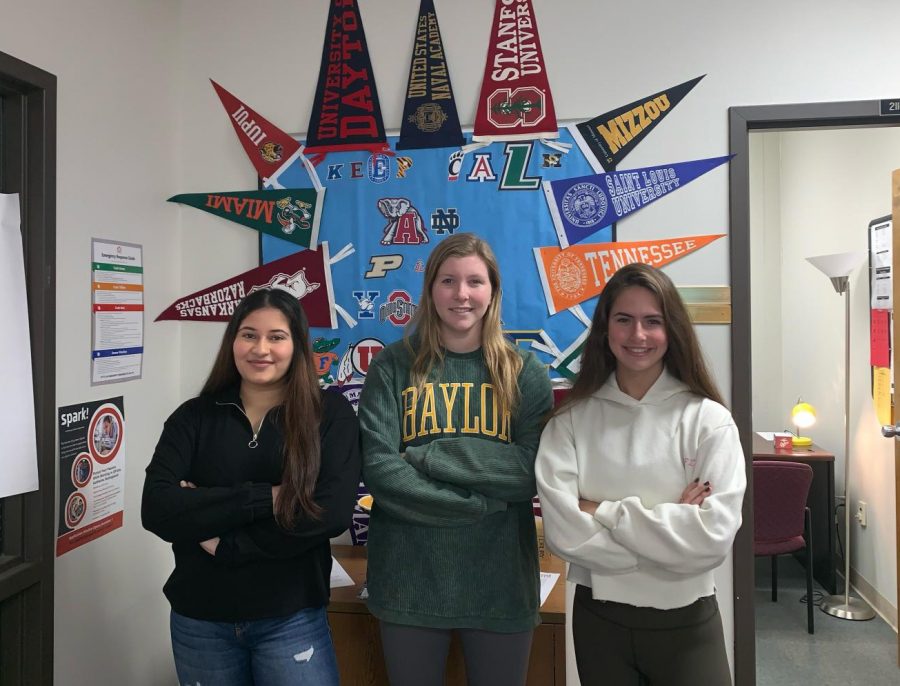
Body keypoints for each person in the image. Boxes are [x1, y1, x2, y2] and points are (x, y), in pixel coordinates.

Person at [535, 263, 746, 686]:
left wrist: (604, 512)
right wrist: (672, 532)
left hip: (688, 619)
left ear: (673, 329)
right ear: (605, 328)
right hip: (600, 621)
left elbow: (712, 539)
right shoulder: (571, 420)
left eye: (653, 321)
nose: (638, 336)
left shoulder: (708, 420)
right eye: (624, 320)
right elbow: (564, 533)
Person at [358, 233, 553, 686]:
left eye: (474, 282)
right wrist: (479, 503)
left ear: (493, 291)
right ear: (430, 290)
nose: (461, 294)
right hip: (408, 578)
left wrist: (430, 455)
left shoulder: (527, 372)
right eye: (448, 281)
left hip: (501, 582)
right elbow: (382, 470)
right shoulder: (391, 366)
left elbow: (530, 471)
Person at [141, 288, 360, 686]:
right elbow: (157, 508)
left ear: (296, 344)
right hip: (200, 619)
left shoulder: (329, 415)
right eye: (248, 335)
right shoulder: (194, 416)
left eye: (276, 336)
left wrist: (226, 542)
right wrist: (270, 496)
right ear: (233, 342)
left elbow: (329, 512)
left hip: (291, 617)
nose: (261, 348)